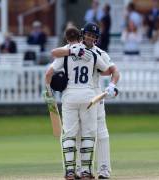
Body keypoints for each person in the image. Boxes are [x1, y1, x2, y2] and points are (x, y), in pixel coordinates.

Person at [51, 22, 120, 179]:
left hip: (95, 96)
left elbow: (114, 72)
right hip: (82, 94)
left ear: (96, 38)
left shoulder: (99, 53)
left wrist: (112, 85)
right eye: (88, 34)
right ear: (83, 34)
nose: (90, 38)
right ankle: (78, 170)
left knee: (100, 133)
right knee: (76, 133)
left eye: (93, 36)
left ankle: (103, 170)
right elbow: (54, 53)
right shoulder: (72, 49)